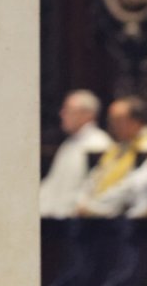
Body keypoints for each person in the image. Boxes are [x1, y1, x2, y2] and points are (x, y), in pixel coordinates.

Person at [75, 95, 147, 216]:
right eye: (111, 120)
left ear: (136, 121)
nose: (113, 125)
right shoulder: (116, 148)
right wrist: (83, 201)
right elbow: (94, 177)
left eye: (119, 120)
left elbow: (130, 187)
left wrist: (96, 207)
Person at [39, 90, 113, 218]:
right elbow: (53, 184)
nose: (62, 114)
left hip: (79, 220)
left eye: (68, 110)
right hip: (55, 217)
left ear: (88, 115)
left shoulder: (99, 144)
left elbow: (94, 187)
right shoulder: (69, 143)